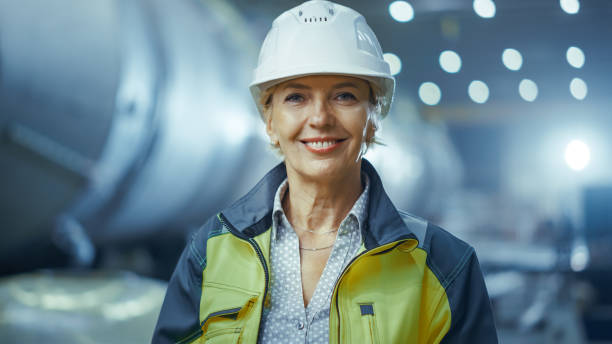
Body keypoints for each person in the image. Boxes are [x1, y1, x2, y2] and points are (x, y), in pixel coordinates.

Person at [152, 1, 497, 343]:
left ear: (373, 120)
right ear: (270, 122)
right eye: (296, 98)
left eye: (344, 96)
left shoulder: (444, 267)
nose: (319, 118)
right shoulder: (211, 250)